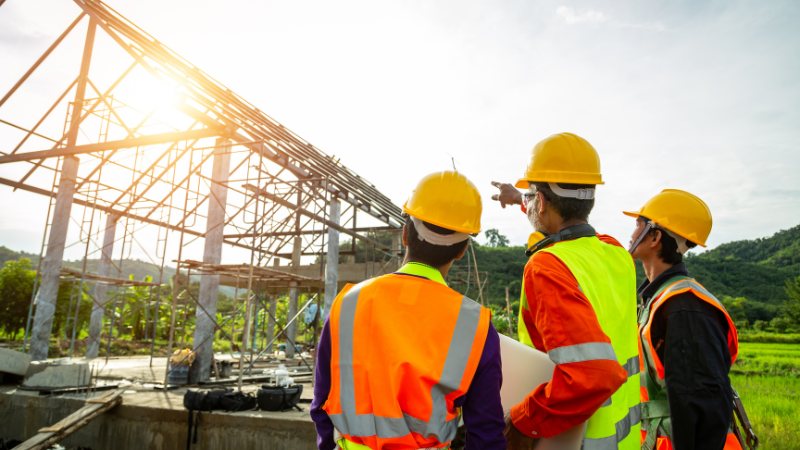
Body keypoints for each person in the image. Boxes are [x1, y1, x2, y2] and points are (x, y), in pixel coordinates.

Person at [311, 171, 506, 450]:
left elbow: (322, 406)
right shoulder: (474, 325)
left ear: (405, 234)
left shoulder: (348, 304)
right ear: (462, 250)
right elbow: (486, 434)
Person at [491, 132, 641, 449]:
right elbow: (559, 220)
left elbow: (593, 375)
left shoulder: (548, 266)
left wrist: (521, 423)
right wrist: (520, 198)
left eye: (532, 198)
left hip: (573, 439)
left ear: (542, 202)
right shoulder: (616, 253)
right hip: (624, 440)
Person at [625, 189, 741, 450]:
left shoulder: (685, 308)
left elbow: (704, 405)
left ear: (654, 236)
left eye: (638, 225)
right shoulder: (660, 299)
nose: (632, 234)